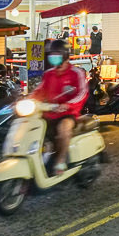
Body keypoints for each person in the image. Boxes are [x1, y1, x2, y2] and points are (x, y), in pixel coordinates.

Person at [32, 39, 88, 175]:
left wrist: (68, 105)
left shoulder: (77, 73)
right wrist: (28, 98)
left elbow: (83, 93)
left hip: (68, 113)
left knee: (64, 128)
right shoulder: (48, 74)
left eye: (56, 53)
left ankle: (61, 161)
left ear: (64, 55)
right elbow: (40, 90)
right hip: (49, 112)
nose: (53, 56)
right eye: (51, 54)